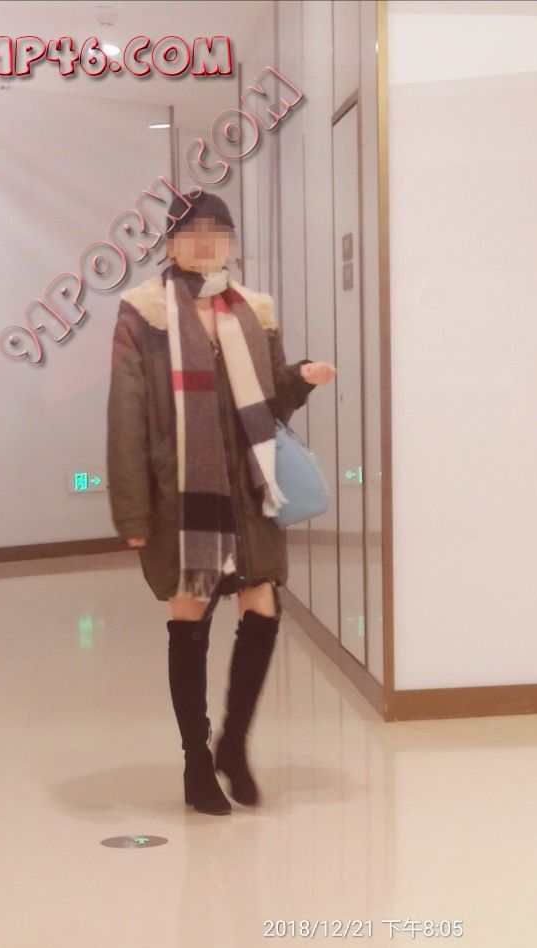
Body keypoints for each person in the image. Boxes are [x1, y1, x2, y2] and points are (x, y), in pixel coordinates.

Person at [107, 190, 336, 816]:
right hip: (181, 492)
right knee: (190, 617)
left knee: (262, 607)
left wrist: (301, 379)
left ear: (231, 243)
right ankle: (196, 761)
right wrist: (132, 512)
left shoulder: (254, 310)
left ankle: (233, 744)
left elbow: (272, 400)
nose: (206, 243)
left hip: (249, 487)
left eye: (218, 232)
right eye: (193, 233)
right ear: (171, 243)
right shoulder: (143, 313)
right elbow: (126, 416)